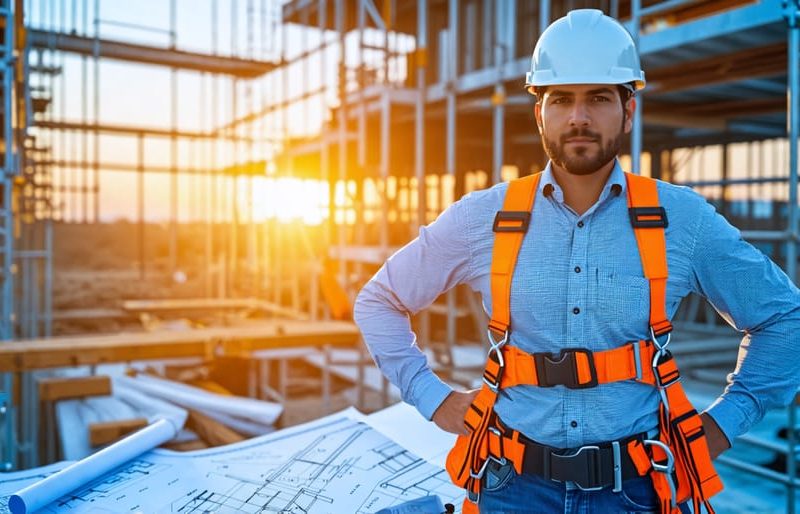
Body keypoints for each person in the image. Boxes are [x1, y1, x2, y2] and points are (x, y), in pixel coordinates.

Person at [354, 8, 800, 514]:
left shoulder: (681, 220)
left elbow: (786, 317)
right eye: (561, 99)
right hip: (511, 489)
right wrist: (430, 396)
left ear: (628, 111)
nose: (579, 118)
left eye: (599, 99)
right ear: (538, 112)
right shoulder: (484, 218)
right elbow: (379, 300)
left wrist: (723, 423)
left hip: (635, 491)